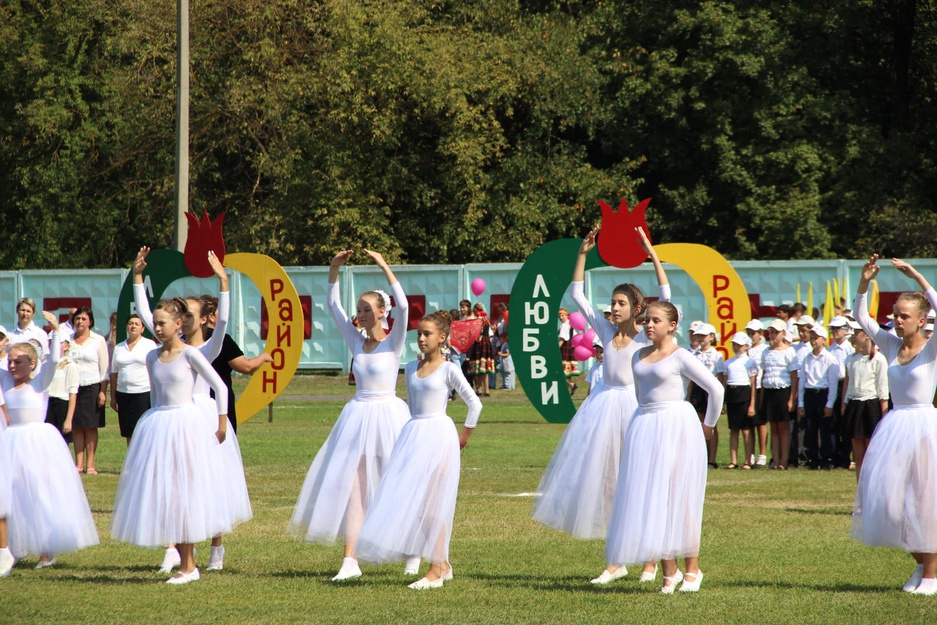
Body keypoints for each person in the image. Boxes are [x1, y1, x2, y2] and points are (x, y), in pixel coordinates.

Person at [533, 225, 669, 584]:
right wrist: (582, 253)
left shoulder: (644, 334)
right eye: (613, 302)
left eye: (621, 303)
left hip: (633, 411)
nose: (614, 306)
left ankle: (650, 561)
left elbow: (665, 293)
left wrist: (651, 253)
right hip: (603, 410)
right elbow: (577, 293)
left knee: (638, 483)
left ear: (638, 309)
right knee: (609, 486)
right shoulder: (607, 331)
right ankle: (616, 560)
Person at [288, 249, 411, 581]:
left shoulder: (394, 341)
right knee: (354, 486)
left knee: (396, 482)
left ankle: (412, 548)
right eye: (359, 309)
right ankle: (350, 559)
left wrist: (384, 265)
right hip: (358, 415)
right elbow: (333, 306)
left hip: (388, 414)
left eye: (367, 309)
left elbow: (406, 307)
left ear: (382, 312)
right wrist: (333, 269)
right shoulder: (356, 342)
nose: (361, 314)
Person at [133, 247, 249, 573]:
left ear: (201, 319)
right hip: (174, 415)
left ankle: (215, 545)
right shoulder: (168, 348)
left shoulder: (207, 349)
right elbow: (146, 313)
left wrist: (223, 281)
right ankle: (176, 549)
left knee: (210, 483)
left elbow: (223, 321)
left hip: (202, 416)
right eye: (179, 314)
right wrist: (138, 277)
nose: (182, 319)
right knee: (173, 483)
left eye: (188, 314)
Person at [604, 301, 725, 593]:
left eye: (656, 320)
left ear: (672, 326)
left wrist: (708, 426)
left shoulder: (680, 356)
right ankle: (668, 574)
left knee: (679, 499)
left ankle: (693, 571)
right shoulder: (638, 355)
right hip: (645, 423)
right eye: (647, 320)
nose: (649, 324)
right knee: (652, 497)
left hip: (675, 424)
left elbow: (715, 389)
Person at [110, 296, 231, 584]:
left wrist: (222, 424)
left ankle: (189, 566)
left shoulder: (190, 354)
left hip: (185, 424)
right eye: (155, 323)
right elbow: (154, 394)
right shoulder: (151, 356)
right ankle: (182, 561)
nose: (157, 328)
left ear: (178, 324)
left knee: (184, 493)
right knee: (168, 492)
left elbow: (220, 387)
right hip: (159, 424)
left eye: (162, 323)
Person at [356, 311, 481, 589]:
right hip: (413, 434)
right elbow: (412, 405)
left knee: (435, 505)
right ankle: (443, 564)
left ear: (442, 338)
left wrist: (463, 437)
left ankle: (436, 569)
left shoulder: (449, 369)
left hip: (439, 435)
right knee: (417, 505)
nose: (422, 339)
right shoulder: (411, 367)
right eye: (419, 334)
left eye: (428, 334)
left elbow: (475, 404)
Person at [851, 255, 937, 595]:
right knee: (892, 502)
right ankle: (921, 563)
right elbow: (860, 316)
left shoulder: (932, 350)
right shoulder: (889, 344)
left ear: (921, 320)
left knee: (924, 500)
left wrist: (917, 276)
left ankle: (931, 573)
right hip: (895, 425)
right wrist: (864, 282)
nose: (897, 320)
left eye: (904, 316)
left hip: (923, 425)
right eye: (895, 315)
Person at [0, 314, 98, 572]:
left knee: (39, 494)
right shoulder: (6, 379)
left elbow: (54, 359)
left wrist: (55, 331)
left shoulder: (40, 381)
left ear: (32, 364)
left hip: (36, 442)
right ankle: (14, 547)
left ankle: (46, 551)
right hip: (11, 440)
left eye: (18, 362)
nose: (12, 366)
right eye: (10, 361)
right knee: (13, 494)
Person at [841, 319, 888, 481]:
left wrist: (884, 418)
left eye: (857, 333)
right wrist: (845, 405)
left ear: (867, 335)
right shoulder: (853, 360)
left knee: (872, 454)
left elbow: (883, 392)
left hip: (871, 405)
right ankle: (860, 494)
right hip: (855, 404)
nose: (853, 337)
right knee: (858, 455)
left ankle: (872, 492)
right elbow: (850, 388)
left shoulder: (880, 359)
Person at [69, 307, 109, 475]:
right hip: (73, 388)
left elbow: (104, 368)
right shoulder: (68, 340)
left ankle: (90, 464)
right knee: (77, 427)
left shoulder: (98, 340)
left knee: (91, 427)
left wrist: (102, 391)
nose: (80, 321)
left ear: (90, 322)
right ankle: (79, 464)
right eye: (78, 318)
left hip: (92, 386)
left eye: (84, 319)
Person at [109, 314, 157, 444]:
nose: (133, 326)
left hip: (143, 393)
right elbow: (114, 373)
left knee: (143, 430)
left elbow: (155, 370)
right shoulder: (119, 347)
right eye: (130, 323)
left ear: (142, 328)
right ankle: (132, 461)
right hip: (123, 394)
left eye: (137, 324)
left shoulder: (149, 345)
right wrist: (113, 397)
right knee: (128, 430)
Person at [797, 325, 840, 470]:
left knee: (825, 428)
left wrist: (829, 404)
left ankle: (826, 457)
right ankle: (813, 457)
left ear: (824, 340)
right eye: (812, 338)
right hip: (810, 393)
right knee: (810, 427)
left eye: (816, 338)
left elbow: (833, 383)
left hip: (823, 393)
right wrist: (801, 403)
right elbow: (802, 380)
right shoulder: (807, 358)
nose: (813, 341)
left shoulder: (830, 359)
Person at [759, 319, 799, 470]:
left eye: (776, 332)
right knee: (773, 427)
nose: (773, 335)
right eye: (771, 332)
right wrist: (762, 397)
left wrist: (791, 399)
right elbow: (764, 374)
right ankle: (775, 460)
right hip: (769, 390)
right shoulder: (766, 352)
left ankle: (784, 460)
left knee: (783, 427)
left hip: (783, 390)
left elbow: (794, 376)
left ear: (783, 334)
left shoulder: (789, 351)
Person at [688, 323, 725, 468]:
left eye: (703, 335)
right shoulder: (693, 354)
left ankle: (711, 459)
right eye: (698, 335)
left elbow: (721, 378)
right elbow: (691, 379)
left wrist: (721, 400)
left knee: (711, 425)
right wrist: (688, 396)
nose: (700, 338)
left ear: (711, 337)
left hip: (710, 390)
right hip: (697, 389)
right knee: (698, 424)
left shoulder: (716, 355)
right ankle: (700, 457)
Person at [723, 332, 758, 469]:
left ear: (746, 346)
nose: (736, 347)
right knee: (734, 429)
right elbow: (725, 383)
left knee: (746, 429)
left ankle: (748, 460)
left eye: (739, 345)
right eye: (734, 345)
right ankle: (733, 460)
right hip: (732, 394)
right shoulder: (728, 363)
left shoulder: (750, 362)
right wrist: (724, 401)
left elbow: (753, 384)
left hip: (744, 393)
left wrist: (752, 404)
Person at [746, 319, 769, 467]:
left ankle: (763, 453)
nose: (751, 336)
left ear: (760, 334)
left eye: (753, 333)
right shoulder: (747, 349)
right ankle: (751, 453)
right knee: (750, 423)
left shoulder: (765, 349)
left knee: (760, 422)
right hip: (748, 386)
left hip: (761, 385)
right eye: (749, 333)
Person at [45, 339, 77, 444]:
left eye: (58, 342)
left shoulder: (70, 365)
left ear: (66, 346)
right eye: (51, 342)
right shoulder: (45, 363)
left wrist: (68, 419)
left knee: (62, 443)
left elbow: (73, 393)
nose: (53, 345)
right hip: (47, 404)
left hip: (62, 405)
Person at [466, 303, 495, 396]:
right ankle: (487, 390)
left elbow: (478, 334)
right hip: (486, 343)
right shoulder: (486, 319)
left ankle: (479, 388)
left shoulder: (477, 320)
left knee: (476, 367)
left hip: (478, 343)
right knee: (484, 368)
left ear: (475, 310)